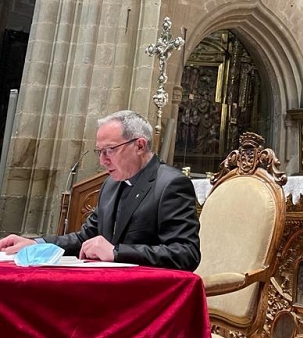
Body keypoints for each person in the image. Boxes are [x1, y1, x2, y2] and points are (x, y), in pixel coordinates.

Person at [0, 110, 200, 271]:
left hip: (148, 296)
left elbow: (186, 253)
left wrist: (117, 252)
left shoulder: (171, 184)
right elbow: (84, 238)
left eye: (110, 150)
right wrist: (37, 245)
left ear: (139, 146)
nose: (102, 160)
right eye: (100, 151)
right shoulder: (111, 184)